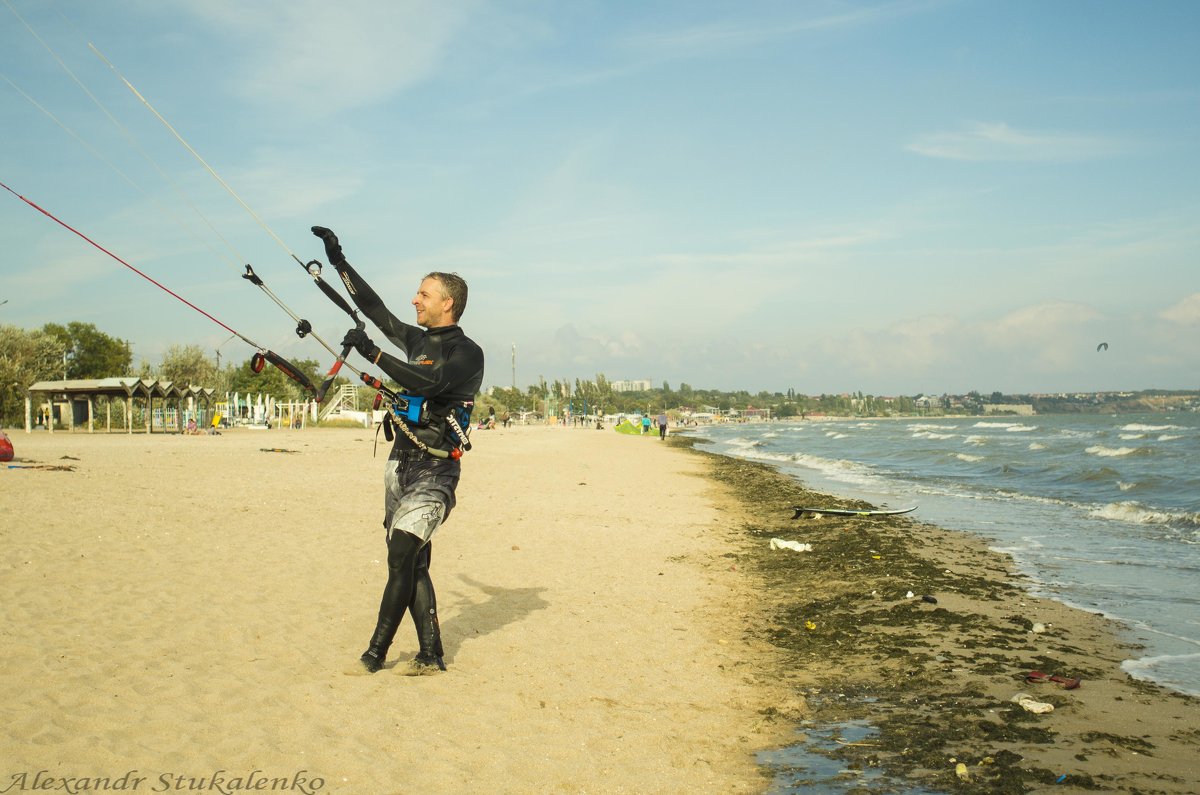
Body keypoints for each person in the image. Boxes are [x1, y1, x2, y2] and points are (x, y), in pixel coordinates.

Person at [312, 226, 485, 677]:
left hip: (436, 471)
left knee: (400, 554)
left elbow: (429, 383)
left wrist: (375, 357)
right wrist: (338, 261)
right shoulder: (415, 340)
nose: (414, 300)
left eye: (424, 294)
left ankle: (375, 653)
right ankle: (431, 654)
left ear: (447, 302)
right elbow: (375, 309)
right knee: (414, 561)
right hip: (400, 466)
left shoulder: (468, 353)